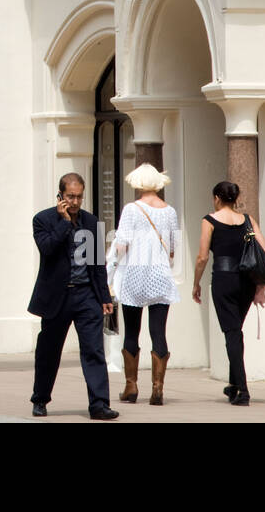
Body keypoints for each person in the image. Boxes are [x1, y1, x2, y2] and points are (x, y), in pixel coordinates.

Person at [28, 172, 117, 420]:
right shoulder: (43, 220)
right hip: (57, 297)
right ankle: (40, 399)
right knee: (49, 351)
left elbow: (98, 263)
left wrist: (104, 296)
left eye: (79, 197)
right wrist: (64, 222)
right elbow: (47, 249)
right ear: (60, 196)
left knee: (94, 350)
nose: (76, 202)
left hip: (86, 295)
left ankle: (99, 404)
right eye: (70, 197)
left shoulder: (91, 222)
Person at [108, 163, 180, 406]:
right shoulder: (170, 211)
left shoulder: (131, 208)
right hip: (160, 275)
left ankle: (131, 386)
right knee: (158, 332)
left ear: (137, 183)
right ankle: (158, 388)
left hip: (135, 275)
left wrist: (113, 265)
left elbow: (122, 243)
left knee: (132, 331)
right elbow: (172, 247)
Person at [194, 180, 265, 407]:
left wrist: (196, 283)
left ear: (217, 198)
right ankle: (234, 384)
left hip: (224, 280)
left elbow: (202, 257)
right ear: (235, 199)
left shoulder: (209, 221)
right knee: (235, 331)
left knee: (232, 333)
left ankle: (243, 390)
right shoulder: (248, 220)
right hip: (245, 281)